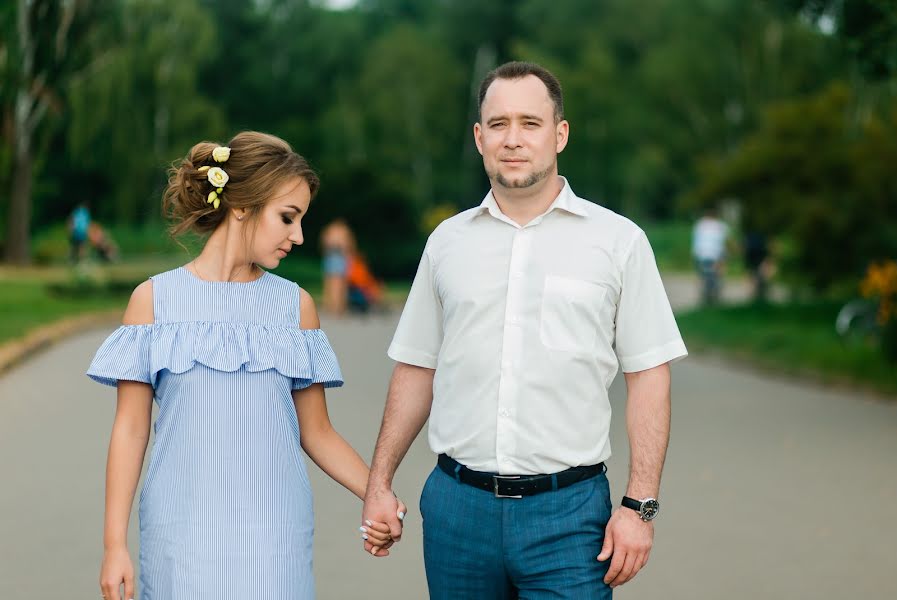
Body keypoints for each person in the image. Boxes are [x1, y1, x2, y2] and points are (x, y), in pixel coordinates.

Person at [362, 62, 687, 598]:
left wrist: (640, 506)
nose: (513, 139)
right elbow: (416, 368)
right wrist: (379, 485)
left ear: (560, 133)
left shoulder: (618, 242)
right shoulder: (446, 243)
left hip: (570, 515)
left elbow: (649, 376)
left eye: (530, 123)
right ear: (479, 137)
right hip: (456, 511)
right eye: (498, 124)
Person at [86, 132, 403, 600]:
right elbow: (130, 431)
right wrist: (114, 545)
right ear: (241, 206)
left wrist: (375, 492)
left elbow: (316, 431)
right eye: (287, 218)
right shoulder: (153, 302)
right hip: (180, 539)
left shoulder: (295, 307)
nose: (297, 237)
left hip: (274, 544)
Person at [691, 206, 729, 304]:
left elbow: (696, 241)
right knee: (718, 274)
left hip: (701, 254)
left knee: (701, 276)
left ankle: (702, 295)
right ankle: (716, 295)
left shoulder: (699, 225)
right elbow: (725, 242)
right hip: (715, 255)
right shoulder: (720, 226)